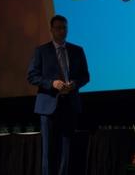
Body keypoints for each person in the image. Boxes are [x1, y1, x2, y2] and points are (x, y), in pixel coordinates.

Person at [27, 15, 90, 175]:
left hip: (69, 104)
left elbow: (85, 76)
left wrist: (74, 84)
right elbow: (32, 76)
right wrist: (52, 83)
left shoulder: (77, 50)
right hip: (48, 106)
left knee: (66, 150)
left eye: (64, 28)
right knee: (48, 151)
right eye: (58, 28)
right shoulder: (41, 51)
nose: (62, 31)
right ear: (51, 30)